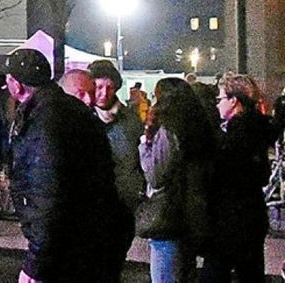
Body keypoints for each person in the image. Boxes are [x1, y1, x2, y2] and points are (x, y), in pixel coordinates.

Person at [0, 49, 128, 282]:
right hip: (90, 239)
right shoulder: (65, 111)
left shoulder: (44, 122)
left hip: (70, 249)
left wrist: (35, 262)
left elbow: (48, 196)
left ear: (16, 85)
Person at [200, 72, 276, 282]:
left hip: (228, 220)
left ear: (234, 101)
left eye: (220, 99)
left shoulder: (233, 138)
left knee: (214, 274)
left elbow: (220, 178)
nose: (217, 105)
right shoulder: (258, 131)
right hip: (252, 215)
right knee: (251, 273)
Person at [138, 77, 214, 283]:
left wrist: (145, 144)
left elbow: (156, 175)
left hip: (168, 216)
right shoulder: (199, 128)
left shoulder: (169, 129)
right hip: (190, 215)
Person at [87, 61, 145, 215]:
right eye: (99, 87)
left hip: (124, 199)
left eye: (110, 88)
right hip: (90, 200)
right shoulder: (81, 116)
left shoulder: (130, 119)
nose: (104, 93)